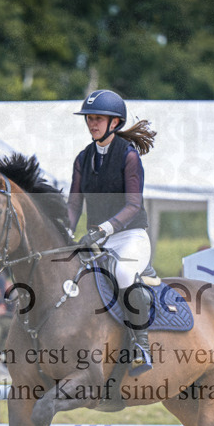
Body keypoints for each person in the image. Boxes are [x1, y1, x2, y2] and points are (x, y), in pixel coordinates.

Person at [67, 89, 157, 375]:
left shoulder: (129, 157)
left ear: (114, 123)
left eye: (98, 119)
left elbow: (133, 205)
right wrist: (65, 231)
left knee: (123, 275)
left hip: (130, 237)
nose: (92, 123)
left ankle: (141, 345)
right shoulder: (83, 159)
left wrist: (103, 229)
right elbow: (73, 204)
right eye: (89, 119)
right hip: (97, 243)